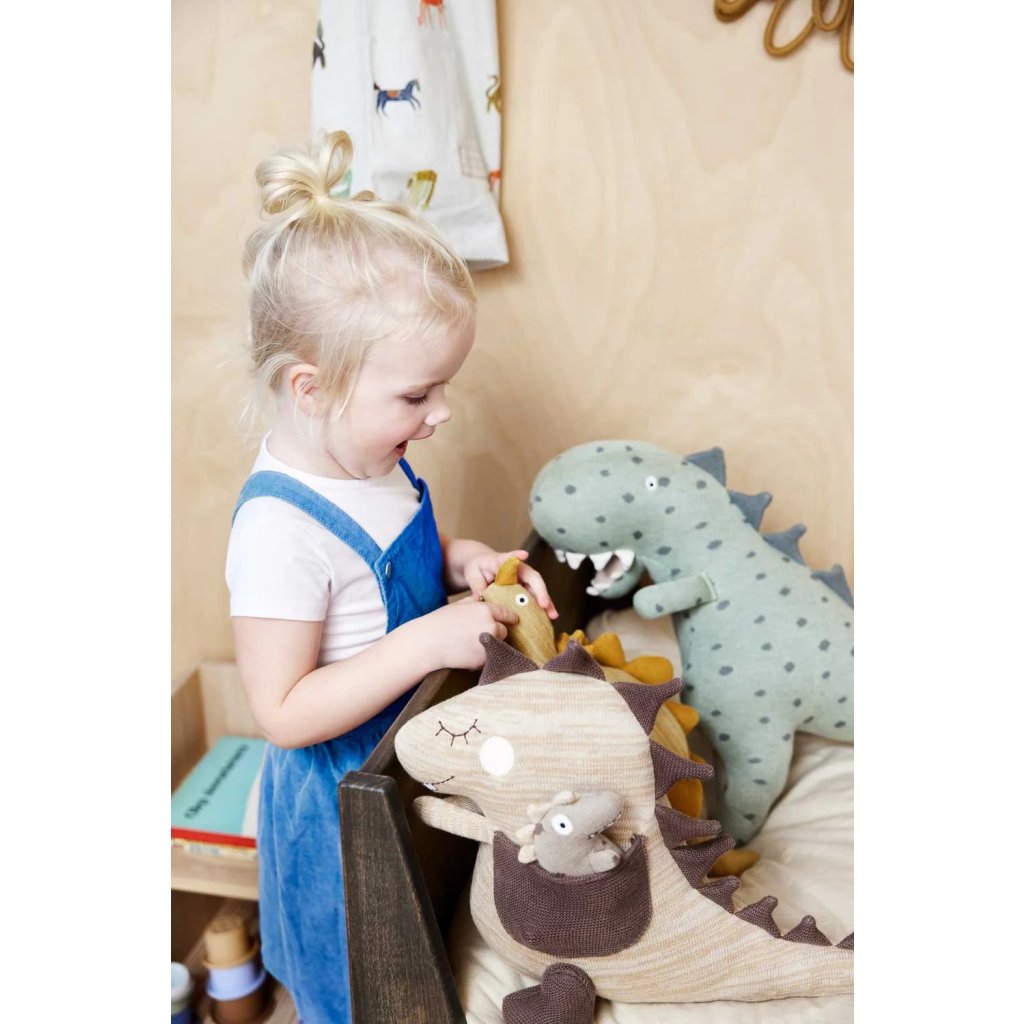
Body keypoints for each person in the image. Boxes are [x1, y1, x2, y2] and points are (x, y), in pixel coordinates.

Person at [225, 130, 558, 1024]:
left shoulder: (369, 457)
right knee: (360, 985)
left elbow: (394, 556)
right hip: (340, 811)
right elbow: (282, 712)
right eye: (417, 395)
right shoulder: (279, 532)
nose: (442, 412)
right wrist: (425, 642)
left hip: (412, 755)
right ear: (311, 388)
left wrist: (461, 560)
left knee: (427, 939)